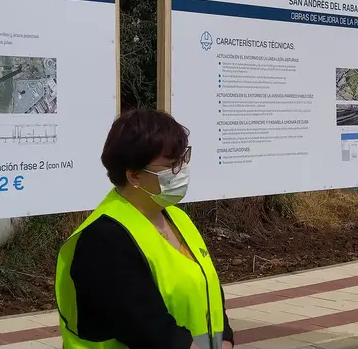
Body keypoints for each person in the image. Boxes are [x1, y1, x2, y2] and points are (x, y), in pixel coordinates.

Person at [55, 108, 234, 349]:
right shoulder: (103, 239)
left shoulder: (177, 218)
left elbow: (207, 288)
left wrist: (224, 339)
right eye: (171, 164)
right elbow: (143, 325)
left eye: (183, 159)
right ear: (134, 176)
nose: (181, 170)